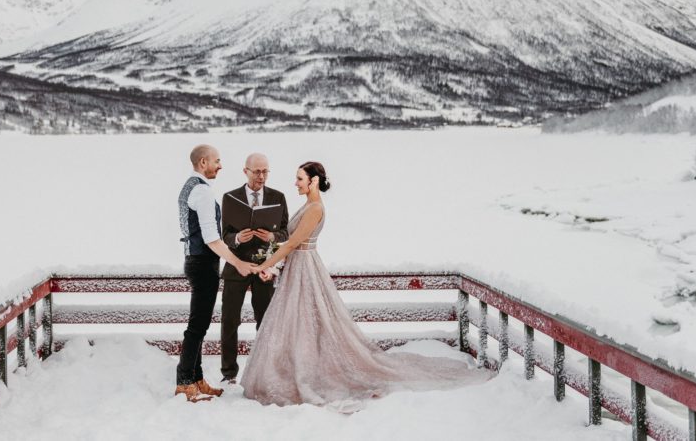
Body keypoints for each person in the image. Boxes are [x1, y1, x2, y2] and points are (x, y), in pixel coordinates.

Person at [241, 161, 492, 409]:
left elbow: (293, 242)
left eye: (299, 178)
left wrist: (264, 266)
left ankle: (308, 374)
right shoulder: (307, 204)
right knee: (296, 322)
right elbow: (286, 241)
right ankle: (294, 368)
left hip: (305, 268)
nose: (295, 183)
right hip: (295, 268)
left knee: (308, 321)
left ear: (313, 181)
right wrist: (273, 266)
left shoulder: (315, 207)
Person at [175, 144, 258, 402]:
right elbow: (211, 238)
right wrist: (238, 263)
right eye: (217, 161)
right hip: (203, 264)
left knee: (199, 323)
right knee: (197, 325)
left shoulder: (192, 186)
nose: (220, 166)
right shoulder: (201, 191)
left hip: (195, 261)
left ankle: (196, 378)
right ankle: (184, 381)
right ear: (203, 162)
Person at [219, 153, 290, 383]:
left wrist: (272, 236)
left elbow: (285, 233)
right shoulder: (230, 198)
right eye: (257, 171)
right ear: (245, 171)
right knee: (230, 320)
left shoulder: (278, 197)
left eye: (265, 171)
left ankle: (264, 371)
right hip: (237, 267)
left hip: (264, 268)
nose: (261, 176)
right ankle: (228, 374)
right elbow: (224, 235)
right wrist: (238, 237)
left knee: (265, 321)